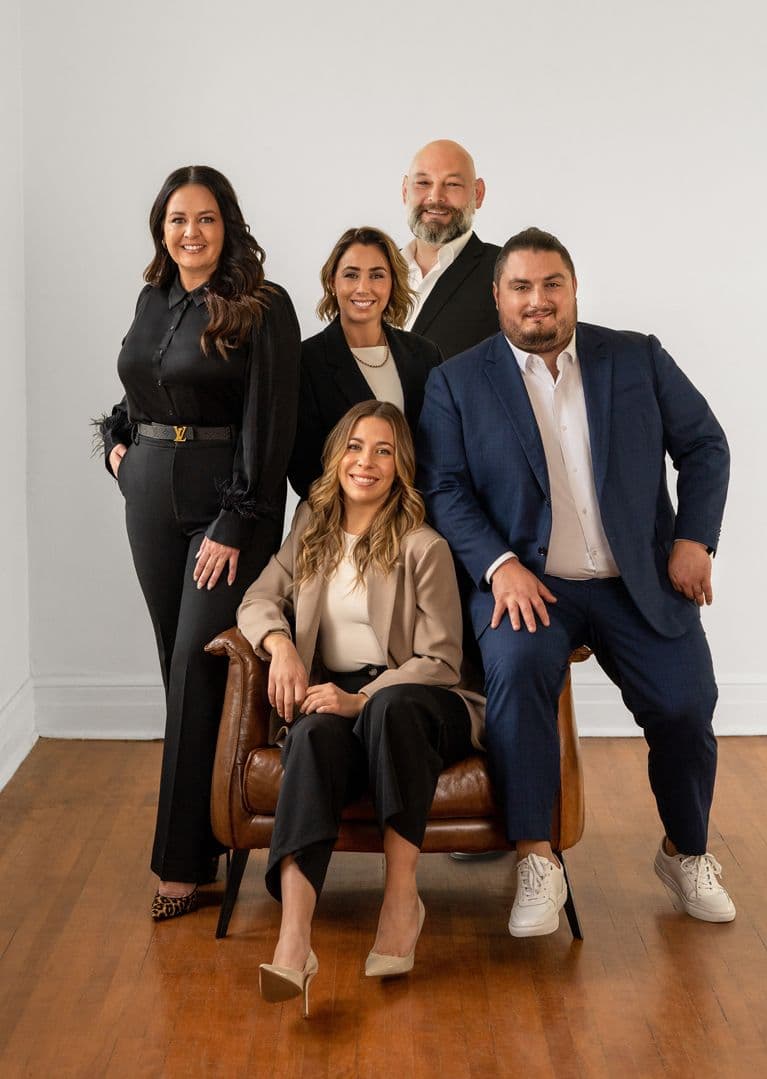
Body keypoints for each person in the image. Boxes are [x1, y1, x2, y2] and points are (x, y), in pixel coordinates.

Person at [416, 226, 735, 937]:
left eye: (551, 285)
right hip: (527, 584)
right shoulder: (457, 381)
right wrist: (499, 566)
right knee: (519, 673)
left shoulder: (636, 357)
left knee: (686, 705)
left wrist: (694, 539)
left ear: (573, 289)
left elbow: (705, 445)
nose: (538, 300)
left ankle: (686, 851)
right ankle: (536, 857)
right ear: (498, 296)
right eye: (521, 287)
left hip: (635, 580)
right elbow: (443, 488)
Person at [95, 165, 301, 920]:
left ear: (228, 225)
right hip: (149, 493)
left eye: (206, 218)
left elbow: (270, 423)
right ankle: (210, 836)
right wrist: (117, 447)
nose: (191, 232)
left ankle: (180, 864)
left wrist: (237, 520)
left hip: (225, 502)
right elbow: (138, 385)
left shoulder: (262, 306)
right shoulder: (153, 298)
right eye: (178, 219)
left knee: (198, 664)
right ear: (162, 227)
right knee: (176, 668)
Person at [237, 400, 483, 1015]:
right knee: (311, 734)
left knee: (391, 709)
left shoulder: (423, 545)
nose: (365, 462)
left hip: (425, 702)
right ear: (336, 457)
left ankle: (401, 900)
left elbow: (442, 658)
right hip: (337, 694)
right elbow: (258, 598)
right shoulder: (311, 528)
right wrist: (281, 646)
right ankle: (294, 941)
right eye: (354, 446)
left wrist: (362, 699)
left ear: (401, 466)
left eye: (382, 451)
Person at [288, 226, 442, 499]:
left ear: (393, 282)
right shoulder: (305, 361)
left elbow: (438, 449)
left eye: (377, 275)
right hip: (338, 515)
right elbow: (303, 467)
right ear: (332, 282)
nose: (363, 287)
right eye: (351, 275)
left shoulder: (424, 355)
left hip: (415, 512)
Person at [401, 139, 500, 358]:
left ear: (478, 194)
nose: (436, 197)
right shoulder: (377, 272)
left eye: (452, 184)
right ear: (405, 191)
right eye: (423, 183)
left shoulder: (506, 272)